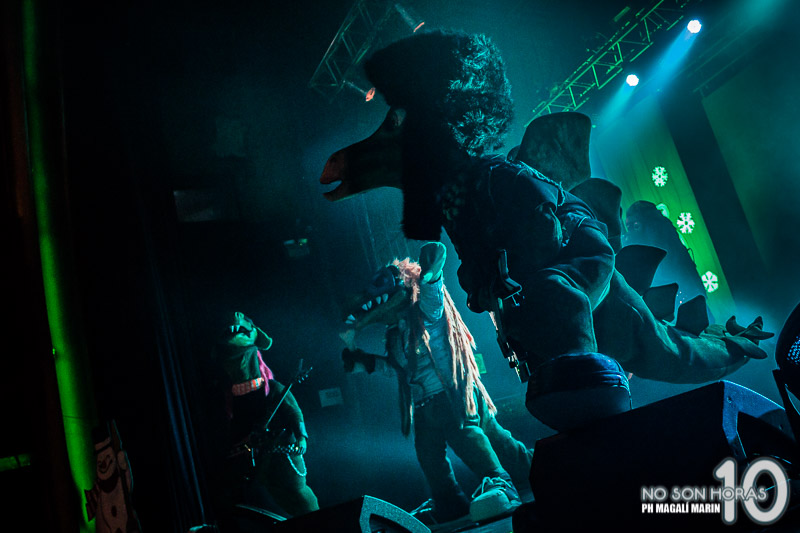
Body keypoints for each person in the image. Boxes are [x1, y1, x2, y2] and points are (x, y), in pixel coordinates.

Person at [320, 29, 771, 432]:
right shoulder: (458, 202)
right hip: (543, 309)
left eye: (401, 121)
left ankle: (601, 370)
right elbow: (483, 266)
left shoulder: (498, 176)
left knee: (558, 296)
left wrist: (528, 274)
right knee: (537, 319)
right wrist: (487, 284)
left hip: (588, 274)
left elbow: (556, 227)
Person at [340, 242, 530, 524]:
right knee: (430, 456)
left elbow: (435, 258)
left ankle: (501, 483)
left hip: (453, 394)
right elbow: (398, 370)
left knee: (468, 437)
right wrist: (365, 361)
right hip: (424, 405)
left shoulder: (427, 311)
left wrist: (429, 273)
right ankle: (449, 502)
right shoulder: (395, 335)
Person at [210, 311, 318, 524]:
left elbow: (294, 412)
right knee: (281, 500)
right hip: (262, 461)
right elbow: (238, 428)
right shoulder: (234, 400)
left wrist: (301, 438)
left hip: (284, 450)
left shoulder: (273, 389)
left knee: (299, 495)